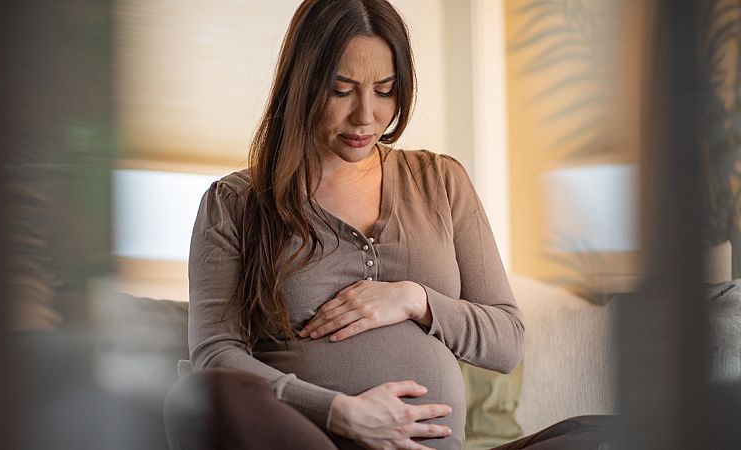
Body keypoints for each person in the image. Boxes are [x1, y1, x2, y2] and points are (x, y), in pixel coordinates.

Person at [164, 1, 613, 449]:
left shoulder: (440, 181)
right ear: (301, 84)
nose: (365, 115)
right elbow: (215, 356)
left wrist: (414, 299)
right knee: (202, 394)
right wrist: (340, 412)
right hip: (314, 441)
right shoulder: (236, 203)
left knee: (609, 434)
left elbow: (506, 342)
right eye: (341, 90)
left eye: (385, 90)